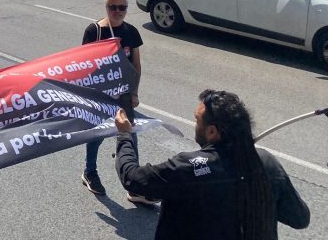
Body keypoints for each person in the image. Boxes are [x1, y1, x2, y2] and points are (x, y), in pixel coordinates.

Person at [115, 89, 310, 239]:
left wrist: (125, 134)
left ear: (212, 132)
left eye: (197, 119)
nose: (195, 124)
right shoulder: (266, 163)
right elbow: (300, 218)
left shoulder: (190, 168)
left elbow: (132, 178)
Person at [80, 0, 147, 202]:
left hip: (124, 93)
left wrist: (134, 92)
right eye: (113, 7)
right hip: (100, 93)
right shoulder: (95, 31)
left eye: (122, 7)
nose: (117, 11)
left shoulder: (131, 32)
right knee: (97, 135)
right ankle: (90, 172)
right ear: (106, 8)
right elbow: (84, 65)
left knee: (129, 135)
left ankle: (133, 183)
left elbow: (135, 65)